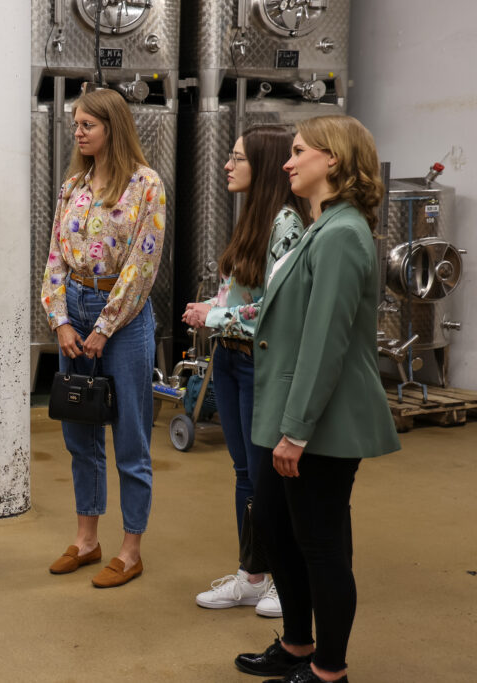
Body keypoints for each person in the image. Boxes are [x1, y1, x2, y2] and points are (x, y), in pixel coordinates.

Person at [233, 115, 400, 683]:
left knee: (322, 545)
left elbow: (324, 343)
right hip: (293, 414)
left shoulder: (342, 235)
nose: (287, 161)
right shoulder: (319, 228)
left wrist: (296, 430)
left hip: (323, 424)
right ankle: (297, 645)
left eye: (299, 151)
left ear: (333, 159)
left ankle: (329, 669)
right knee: (278, 531)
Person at [41, 88, 166, 588]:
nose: (78, 131)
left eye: (87, 124)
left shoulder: (146, 184)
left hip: (125, 321)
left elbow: (142, 264)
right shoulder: (73, 185)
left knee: (130, 437)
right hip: (75, 311)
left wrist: (103, 327)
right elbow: (54, 257)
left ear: (112, 127)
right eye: (76, 123)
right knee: (80, 434)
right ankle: (87, 540)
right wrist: (62, 322)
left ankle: (130, 549)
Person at [182, 126, 309, 617]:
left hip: (260, 364)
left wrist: (213, 317)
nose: (228, 166)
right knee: (245, 474)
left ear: (265, 162)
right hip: (232, 360)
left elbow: (275, 308)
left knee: (268, 479)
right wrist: (211, 305)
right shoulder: (253, 218)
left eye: (237, 158)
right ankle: (252, 576)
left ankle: (283, 577)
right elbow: (244, 294)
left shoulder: (286, 226)